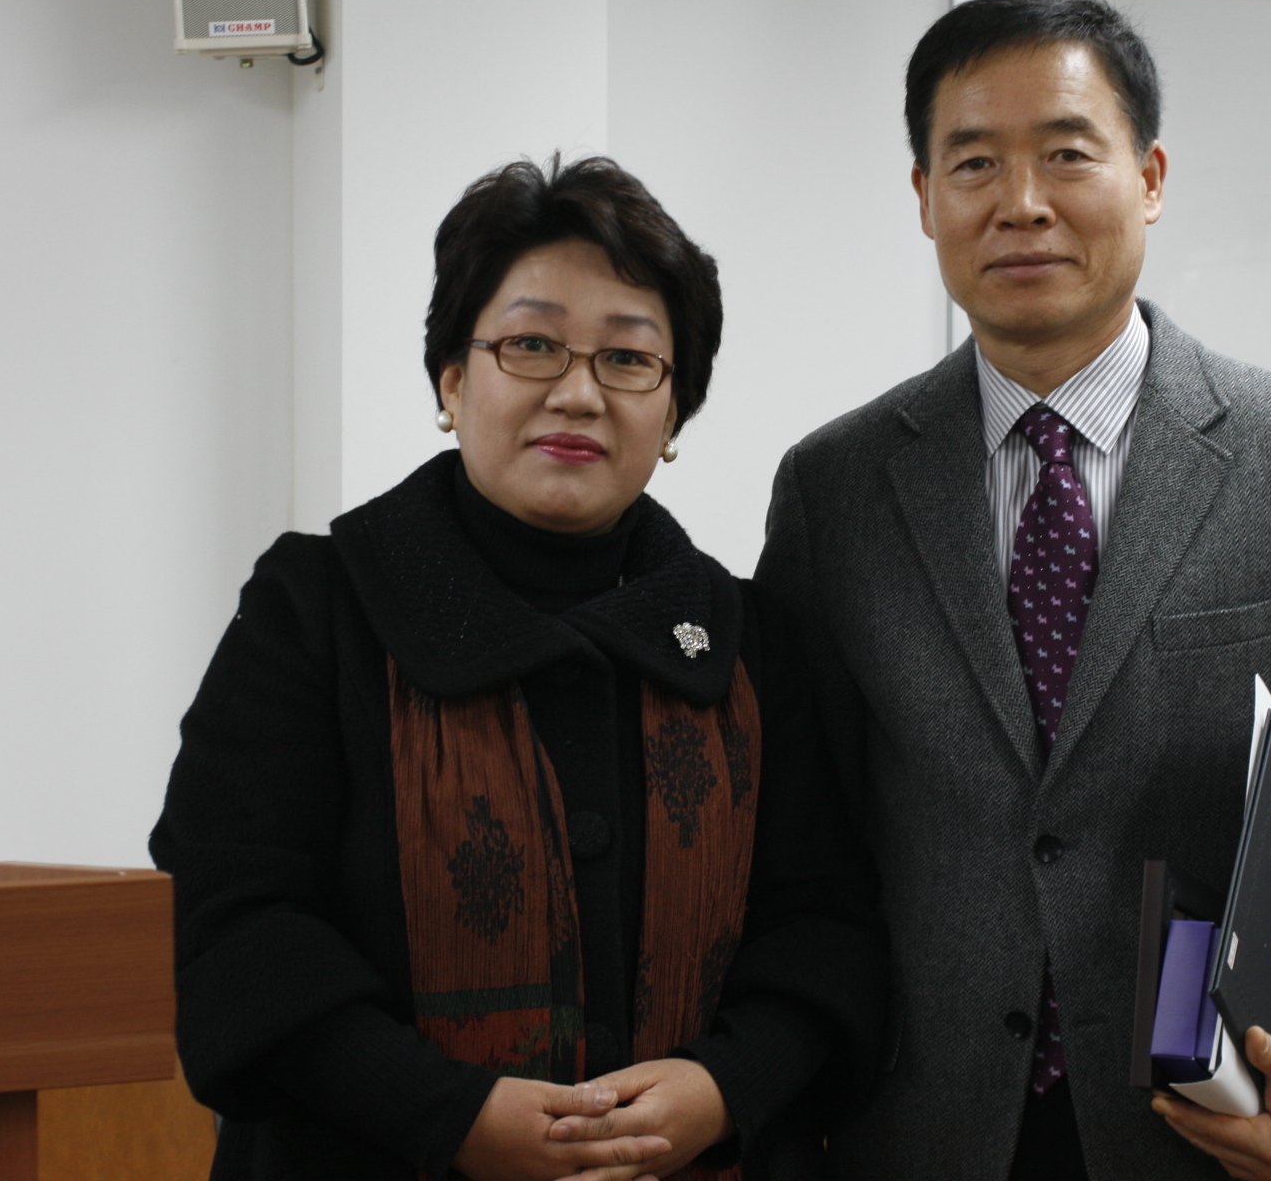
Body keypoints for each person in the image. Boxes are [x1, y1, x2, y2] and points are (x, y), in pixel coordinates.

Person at [752, 0, 1271, 1181]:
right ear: (925, 198)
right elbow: (802, 827)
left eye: (1065, 153)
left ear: (1147, 177)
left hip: (1214, 1129)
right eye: (974, 163)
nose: (1020, 202)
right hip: (915, 1128)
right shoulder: (835, 489)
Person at [151, 155, 886, 1181]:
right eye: (531, 345)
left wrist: (722, 1086)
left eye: (628, 359)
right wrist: (452, 1116)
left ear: (675, 411)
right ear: (452, 379)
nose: (577, 394)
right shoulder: (316, 610)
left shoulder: (749, 638)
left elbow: (825, 926)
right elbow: (243, 927)